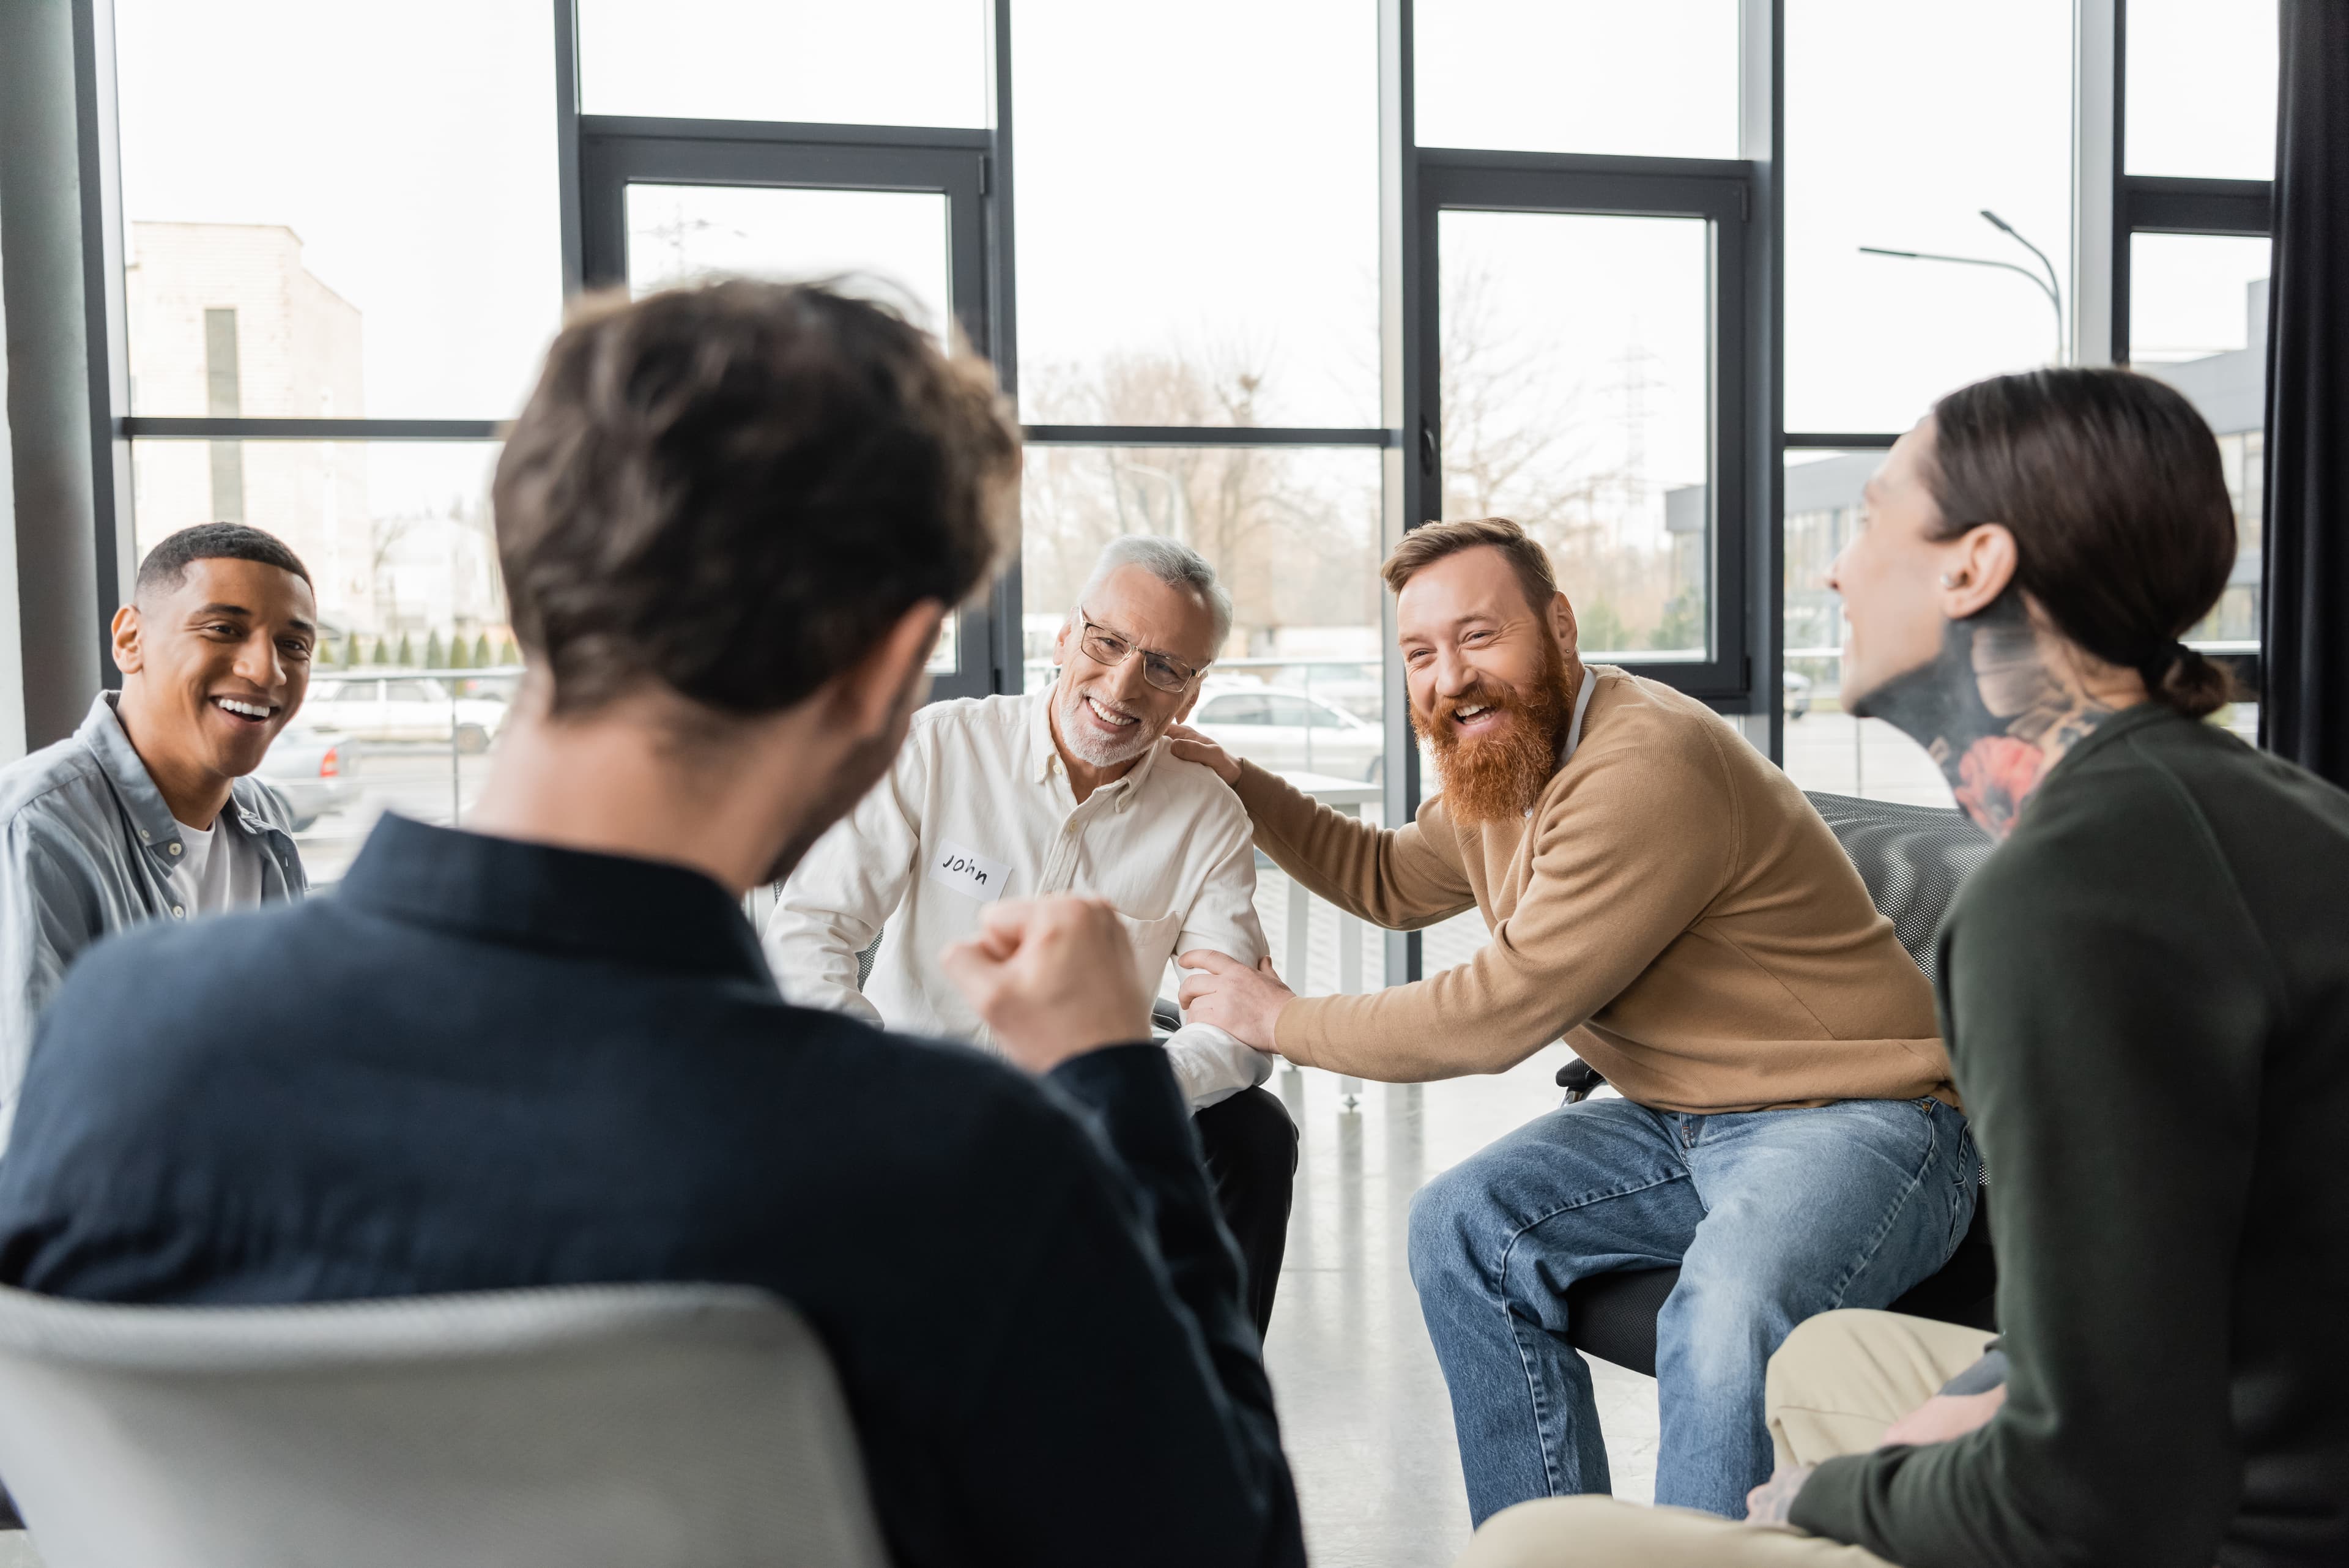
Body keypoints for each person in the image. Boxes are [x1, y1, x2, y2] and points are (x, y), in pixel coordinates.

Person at [0, 281, 1305, 1568]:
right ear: (885, 670)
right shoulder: (959, 1167)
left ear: (525, 584)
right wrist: (1112, 1075)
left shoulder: (126, 1039)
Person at [1456, 366, 2349, 1567]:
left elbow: (2098, 1492)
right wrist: (1947, 1421)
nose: (1835, 570)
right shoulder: (2266, 806)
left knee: (1539, 1546)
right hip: (2259, 1402)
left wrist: (1830, 1501)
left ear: (1974, 567)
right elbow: (2151, 1290)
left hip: (2241, 1524)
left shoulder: (2064, 899)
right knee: (1829, 1362)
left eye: (1874, 519)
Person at [1173, 515, 1973, 1520]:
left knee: (1725, 1310)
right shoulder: (1505, 759)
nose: (1450, 677)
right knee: (1460, 1225)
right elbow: (1385, 877)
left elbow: (1493, 1015)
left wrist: (1281, 1018)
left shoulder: (1642, 765)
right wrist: (1238, 783)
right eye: (1420, 653)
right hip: (1686, 1118)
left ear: (1559, 626)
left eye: (1479, 634)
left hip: (1862, 1115)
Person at [766, 533, 1297, 1334]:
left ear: (1190, 695)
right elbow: (811, 931)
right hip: (918, 1099)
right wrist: (881, 1079)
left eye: (1164, 667)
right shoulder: (939, 745)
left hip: (1090, 1122)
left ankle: (1207, 1395)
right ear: (1063, 637)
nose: (1122, 684)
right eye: (1108, 642)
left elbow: (1237, 1027)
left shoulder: (1208, 816)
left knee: (1254, 1133)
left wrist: (1119, 1093)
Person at [0, 522, 313, 1153]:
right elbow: (37, 1128)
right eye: (223, 629)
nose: (266, 669)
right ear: (130, 640)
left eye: (293, 644)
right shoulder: (36, 827)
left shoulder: (267, 823)